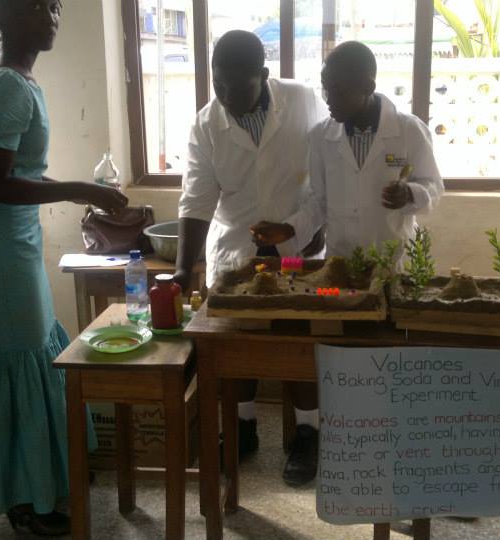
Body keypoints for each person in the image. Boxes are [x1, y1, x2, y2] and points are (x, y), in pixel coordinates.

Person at [0, 0, 127, 535]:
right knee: (17, 355)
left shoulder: (4, 75)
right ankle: (23, 497)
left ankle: (47, 474)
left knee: (34, 346)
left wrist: (77, 192)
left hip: (4, 229)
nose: (52, 15)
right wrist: (80, 189)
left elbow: (11, 173)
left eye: (55, 6)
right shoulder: (7, 85)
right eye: (39, 6)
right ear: (8, 13)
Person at [175, 30, 327, 486]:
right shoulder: (206, 124)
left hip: (297, 248)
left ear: (263, 76)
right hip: (236, 252)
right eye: (218, 87)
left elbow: (323, 171)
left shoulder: (301, 99)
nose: (226, 98)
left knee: (297, 343)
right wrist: (184, 267)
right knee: (235, 347)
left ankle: (307, 434)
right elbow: (196, 199)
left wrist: (302, 227)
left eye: (236, 88)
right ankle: (241, 429)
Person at [252, 40, 443, 262]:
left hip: (393, 258)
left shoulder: (409, 130)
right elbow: (320, 201)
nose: (329, 100)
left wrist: (410, 194)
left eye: (339, 92)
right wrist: (288, 229)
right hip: (341, 260)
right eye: (326, 89)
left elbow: (434, 187)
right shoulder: (321, 137)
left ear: (367, 88)